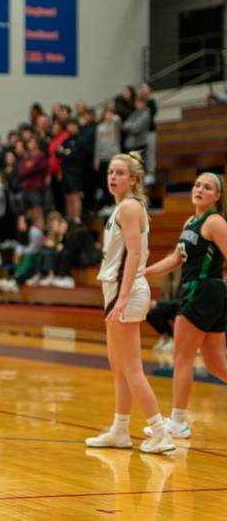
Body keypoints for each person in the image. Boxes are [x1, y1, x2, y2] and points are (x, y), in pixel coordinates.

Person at [85, 153, 175, 454]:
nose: (113, 177)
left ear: (133, 179)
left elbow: (134, 254)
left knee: (132, 368)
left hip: (127, 291)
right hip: (116, 290)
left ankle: (161, 432)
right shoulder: (120, 208)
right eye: (110, 171)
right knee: (118, 366)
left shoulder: (130, 207)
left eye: (120, 172)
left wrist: (121, 299)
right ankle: (120, 429)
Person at [143, 173, 227, 439]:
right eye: (197, 185)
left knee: (182, 358)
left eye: (208, 187)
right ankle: (178, 420)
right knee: (215, 365)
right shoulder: (191, 221)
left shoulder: (215, 221)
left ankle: (178, 421)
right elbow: (176, 258)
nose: (200, 189)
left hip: (203, 290)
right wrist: (144, 272)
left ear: (217, 196)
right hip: (205, 293)